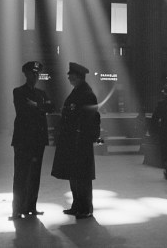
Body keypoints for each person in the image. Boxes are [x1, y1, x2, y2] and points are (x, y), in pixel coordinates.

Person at [52, 62, 100, 219]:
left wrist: (86, 135)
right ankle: (77, 205)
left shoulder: (87, 94)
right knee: (74, 174)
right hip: (72, 140)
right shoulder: (77, 92)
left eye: (71, 75)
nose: (68, 77)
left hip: (81, 141)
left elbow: (93, 118)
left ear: (79, 76)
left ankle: (85, 208)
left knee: (82, 176)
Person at [10, 61, 54, 220]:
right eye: (32, 73)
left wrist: (35, 105)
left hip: (38, 140)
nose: (35, 76)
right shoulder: (18, 92)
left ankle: (30, 207)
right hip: (23, 139)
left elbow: (51, 108)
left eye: (37, 74)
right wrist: (40, 107)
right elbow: (23, 110)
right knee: (21, 175)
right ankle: (17, 209)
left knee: (35, 175)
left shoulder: (41, 93)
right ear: (26, 74)